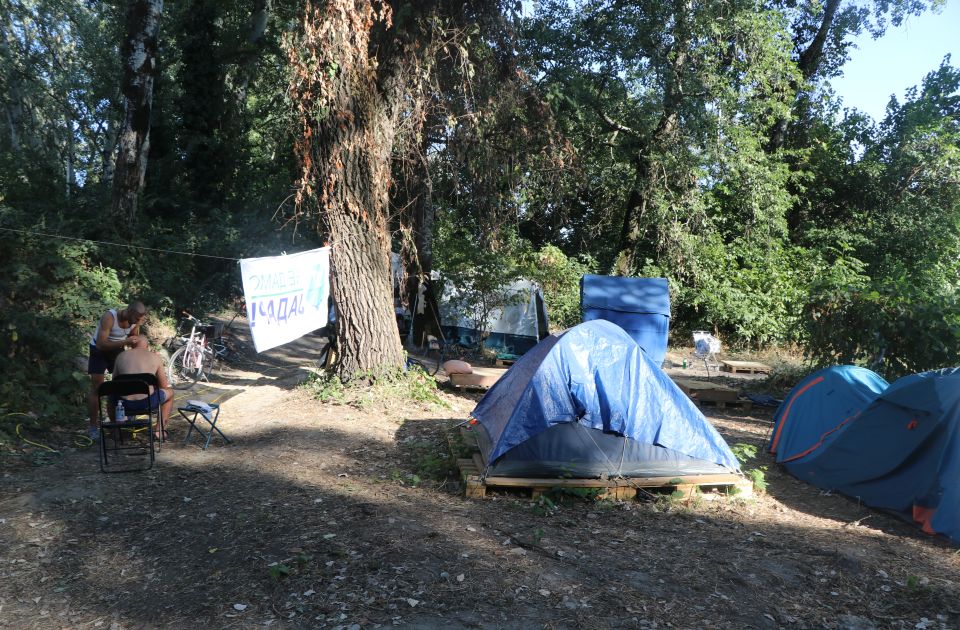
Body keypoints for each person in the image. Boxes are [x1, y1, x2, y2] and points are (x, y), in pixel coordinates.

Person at [86, 301, 148, 439]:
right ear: (129, 311)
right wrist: (125, 342)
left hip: (117, 351)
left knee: (121, 385)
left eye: (140, 319)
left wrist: (141, 356)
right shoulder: (109, 317)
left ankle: (117, 424)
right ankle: (93, 426)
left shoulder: (135, 320)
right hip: (99, 351)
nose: (139, 321)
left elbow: (134, 338)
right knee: (98, 388)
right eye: (137, 318)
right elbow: (101, 344)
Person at [112, 336, 174, 439]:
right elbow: (163, 386)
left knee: (110, 397)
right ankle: (159, 431)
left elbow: (114, 384)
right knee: (170, 393)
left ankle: (116, 430)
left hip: (123, 404)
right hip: (147, 403)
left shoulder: (121, 356)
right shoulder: (155, 357)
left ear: (131, 345)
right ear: (147, 346)